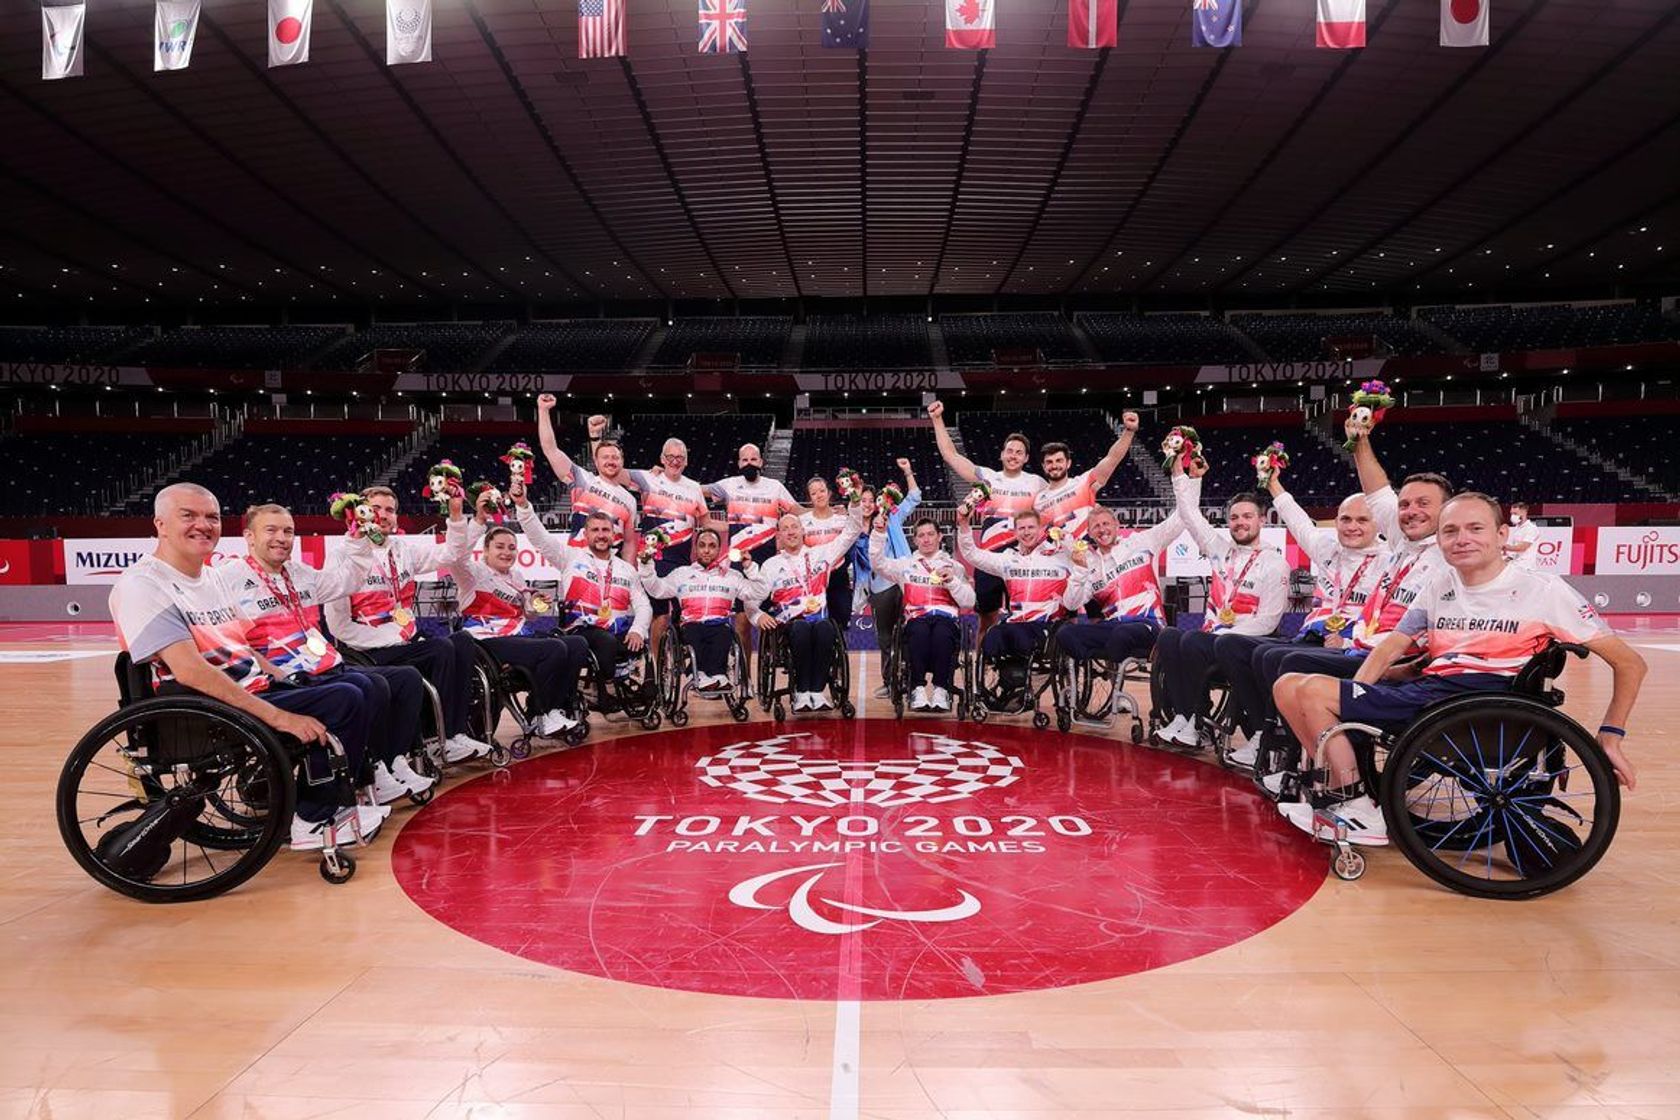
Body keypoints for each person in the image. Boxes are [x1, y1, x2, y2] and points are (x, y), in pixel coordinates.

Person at [1273, 491, 1646, 846]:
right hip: (1432, 692)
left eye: (1475, 528)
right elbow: (1392, 645)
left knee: (1311, 691)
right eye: (1450, 531)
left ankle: (1355, 805)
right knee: (1287, 685)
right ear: (1440, 540)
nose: (1461, 539)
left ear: (1502, 535)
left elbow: (1630, 663)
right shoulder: (1440, 584)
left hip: (1480, 702)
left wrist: (1610, 736)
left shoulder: (1543, 590)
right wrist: (1358, 696)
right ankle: (1341, 789)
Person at [110, 484, 382, 852]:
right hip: (207, 708)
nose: (203, 525)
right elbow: (190, 672)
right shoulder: (143, 585)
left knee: (358, 688)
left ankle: (334, 796)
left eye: (211, 517)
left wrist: (288, 679)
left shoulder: (211, 577)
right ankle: (313, 818)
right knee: (345, 700)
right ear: (160, 524)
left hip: (251, 690)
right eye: (188, 515)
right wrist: (281, 717)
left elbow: (245, 647)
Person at [1261, 422, 1456, 795]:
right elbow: (1378, 491)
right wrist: (1360, 440)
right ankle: (1323, 768)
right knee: (1281, 667)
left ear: (1447, 511)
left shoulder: (1448, 554)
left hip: (1393, 660)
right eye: (1405, 504)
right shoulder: (1403, 543)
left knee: (1289, 661)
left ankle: (1328, 773)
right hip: (1363, 649)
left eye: (1423, 504)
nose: (1410, 511)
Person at [224, 502, 435, 810]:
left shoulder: (300, 573)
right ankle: (342, 789)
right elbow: (231, 643)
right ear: (249, 536)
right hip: (280, 676)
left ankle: (383, 765)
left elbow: (347, 581)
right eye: (271, 530)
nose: (281, 538)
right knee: (361, 690)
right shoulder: (227, 579)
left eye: (288, 532)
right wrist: (274, 673)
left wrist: (358, 542)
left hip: (319, 665)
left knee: (400, 680)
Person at [1212, 462, 1383, 768]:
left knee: (1279, 659)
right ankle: (1264, 735)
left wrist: (1348, 642)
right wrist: (1273, 484)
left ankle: (1285, 752)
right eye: (1345, 519)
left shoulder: (1389, 561)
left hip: (1348, 647)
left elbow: (1393, 618)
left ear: (1380, 524)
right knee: (1240, 647)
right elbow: (1297, 520)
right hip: (1311, 638)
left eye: (1362, 520)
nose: (1352, 526)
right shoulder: (1328, 550)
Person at [322, 484, 494, 764]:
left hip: (403, 641)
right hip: (368, 650)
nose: (383, 515)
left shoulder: (401, 549)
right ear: (361, 511)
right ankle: (439, 738)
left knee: (462, 641)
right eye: (376, 509)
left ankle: (454, 734)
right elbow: (338, 626)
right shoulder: (342, 554)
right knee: (441, 649)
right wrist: (391, 636)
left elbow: (450, 554)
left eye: (390, 510)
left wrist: (455, 514)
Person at [1152, 459, 1290, 748]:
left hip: (1245, 642)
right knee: (1168, 636)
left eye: (1247, 516)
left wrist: (1223, 633)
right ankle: (1186, 717)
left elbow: (1268, 622)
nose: (1240, 522)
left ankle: (1197, 721)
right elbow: (1189, 515)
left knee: (1192, 640)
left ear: (1262, 520)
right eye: (1234, 517)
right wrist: (1181, 472)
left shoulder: (1274, 563)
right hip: (1213, 639)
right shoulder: (1219, 550)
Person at [439, 481, 590, 738]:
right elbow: (457, 557)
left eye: (511, 548)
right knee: (554, 649)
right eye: (499, 547)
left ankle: (556, 708)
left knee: (576, 644)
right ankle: (541, 715)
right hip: (487, 642)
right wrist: (479, 519)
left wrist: (535, 603)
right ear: (485, 550)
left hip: (518, 635)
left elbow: (529, 614)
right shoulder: (472, 573)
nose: (507, 552)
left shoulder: (517, 577)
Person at [515, 501, 651, 710]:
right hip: (582, 630)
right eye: (595, 530)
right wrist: (524, 506)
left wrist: (638, 630)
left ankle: (630, 689)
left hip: (618, 630)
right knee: (605, 641)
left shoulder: (626, 569)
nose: (601, 535)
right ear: (586, 534)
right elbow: (539, 538)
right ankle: (603, 688)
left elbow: (643, 605)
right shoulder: (570, 557)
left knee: (635, 644)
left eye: (605, 530)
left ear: (614, 534)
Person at [927, 399, 1045, 637]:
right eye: (1010, 451)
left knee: (1022, 615)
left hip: (1022, 561)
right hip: (988, 558)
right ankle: (983, 658)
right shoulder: (988, 478)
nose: (1013, 455)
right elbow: (950, 455)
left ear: (1026, 458)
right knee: (987, 619)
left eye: (1019, 452)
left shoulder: (1037, 483)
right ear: (1002, 454)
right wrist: (937, 419)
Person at [1055, 505, 1183, 721]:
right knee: (1065, 633)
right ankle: (1100, 665)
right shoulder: (1090, 562)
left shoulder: (1142, 542)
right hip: (1113, 626)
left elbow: (1179, 521)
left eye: (1106, 523)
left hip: (1147, 623)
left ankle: (1109, 659)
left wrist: (1187, 486)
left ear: (1117, 525)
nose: (1102, 529)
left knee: (1121, 635)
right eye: (1096, 526)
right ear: (1090, 533)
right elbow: (1071, 602)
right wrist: (1080, 570)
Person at [702, 442, 802, 679]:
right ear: (739, 463)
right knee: (741, 622)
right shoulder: (728, 485)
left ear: (761, 462)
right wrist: (663, 476)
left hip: (768, 563)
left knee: (770, 619)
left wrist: (825, 512)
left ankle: (774, 663)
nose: (749, 463)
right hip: (738, 561)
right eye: (745, 460)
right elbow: (696, 490)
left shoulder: (775, 487)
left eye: (753, 459)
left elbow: (796, 510)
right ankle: (744, 676)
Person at [956, 504, 1072, 705]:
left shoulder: (1060, 556)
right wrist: (964, 524)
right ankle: (1011, 688)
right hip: (1016, 623)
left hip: (1045, 626)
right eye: (1022, 528)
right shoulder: (1007, 559)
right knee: (993, 636)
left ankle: (1017, 688)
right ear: (1015, 532)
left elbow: (1084, 559)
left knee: (1016, 636)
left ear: (1041, 529)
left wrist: (1067, 539)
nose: (1026, 532)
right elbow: (971, 554)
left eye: (1031, 527)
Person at [754, 506, 865, 711]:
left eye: (794, 527)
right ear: (779, 536)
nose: (791, 532)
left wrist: (856, 505)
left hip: (819, 619)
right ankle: (801, 692)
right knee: (801, 628)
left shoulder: (822, 553)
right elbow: (753, 598)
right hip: (788, 625)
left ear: (803, 530)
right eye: (785, 528)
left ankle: (816, 691)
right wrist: (758, 615)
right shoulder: (770, 565)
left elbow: (852, 532)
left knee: (826, 628)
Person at [869, 512, 974, 711]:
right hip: (916, 619)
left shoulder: (955, 567)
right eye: (921, 535)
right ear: (915, 540)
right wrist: (879, 533)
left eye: (930, 534)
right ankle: (917, 689)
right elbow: (877, 563)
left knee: (942, 632)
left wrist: (952, 582)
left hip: (945, 620)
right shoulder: (905, 565)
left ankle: (941, 690)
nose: (926, 539)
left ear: (940, 536)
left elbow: (969, 601)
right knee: (918, 631)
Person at [640, 526, 767, 691]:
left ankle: (718, 675)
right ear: (695, 549)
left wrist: (750, 568)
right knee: (695, 631)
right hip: (691, 625)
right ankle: (696, 674)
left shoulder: (732, 576)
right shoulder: (681, 574)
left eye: (712, 546)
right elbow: (656, 590)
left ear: (719, 549)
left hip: (719, 625)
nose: (706, 550)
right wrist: (646, 565)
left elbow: (759, 593)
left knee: (724, 633)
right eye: (702, 545)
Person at [624, 437, 710, 659]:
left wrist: (740, 525)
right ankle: (656, 664)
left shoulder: (694, 488)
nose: (675, 461)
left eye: (680, 457)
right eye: (670, 457)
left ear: (686, 461)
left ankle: (683, 657)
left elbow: (707, 522)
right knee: (660, 616)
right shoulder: (648, 478)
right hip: (654, 560)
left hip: (682, 563)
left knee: (686, 615)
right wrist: (596, 441)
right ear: (662, 458)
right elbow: (613, 472)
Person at [535, 398, 637, 559]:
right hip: (578, 563)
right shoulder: (582, 480)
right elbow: (550, 449)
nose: (611, 461)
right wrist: (543, 410)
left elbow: (629, 543)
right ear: (596, 461)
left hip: (611, 566)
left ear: (622, 462)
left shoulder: (630, 500)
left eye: (615, 457)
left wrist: (629, 571)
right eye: (605, 457)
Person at [855, 459, 922, 698]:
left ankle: (913, 681)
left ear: (877, 502)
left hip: (904, 582)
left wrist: (908, 472)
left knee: (910, 632)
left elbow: (914, 498)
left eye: (870, 500)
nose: (866, 504)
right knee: (884, 637)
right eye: (862, 500)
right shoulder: (852, 529)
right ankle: (889, 681)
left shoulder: (891, 517)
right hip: (878, 587)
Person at [1032, 413, 1139, 543]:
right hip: (1056, 553)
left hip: (1087, 550)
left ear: (1068, 463)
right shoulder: (1037, 500)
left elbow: (1112, 459)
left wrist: (1129, 431)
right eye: (1049, 462)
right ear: (1044, 466)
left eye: (1059, 461)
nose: (1054, 466)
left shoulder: (1083, 483)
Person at [802, 476, 855, 635]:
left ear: (829, 493)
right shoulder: (802, 521)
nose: (819, 495)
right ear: (809, 498)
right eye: (813, 493)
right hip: (813, 580)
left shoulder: (843, 520)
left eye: (822, 491)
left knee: (841, 623)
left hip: (838, 577)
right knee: (815, 625)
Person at [1505, 500, 1539, 568]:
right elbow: (1514, 550)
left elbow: (1522, 547)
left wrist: (1505, 547)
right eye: (1511, 514)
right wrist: (1507, 559)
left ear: (1524, 512)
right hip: (1516, 564)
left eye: (1515, 513)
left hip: (1526, 566)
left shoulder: (1531, 528)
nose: (1512, 516)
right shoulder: (1517, 528)